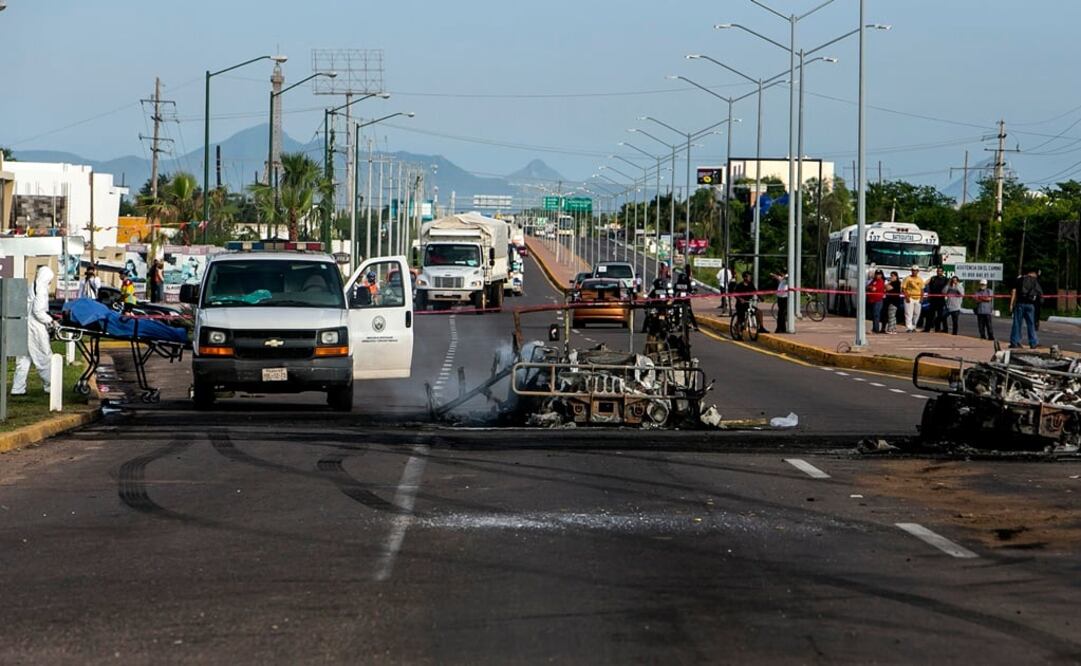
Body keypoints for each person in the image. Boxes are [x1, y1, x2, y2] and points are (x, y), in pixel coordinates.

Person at [11, 266, 56, 395]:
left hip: (24, 325)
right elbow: (38, 312)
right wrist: (51, 320)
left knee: (23, 358)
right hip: (35, 328)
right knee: (44, 356)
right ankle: (51, 385)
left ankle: (17, 388)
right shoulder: (42, 290)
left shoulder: (33, 286)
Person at [1009, 267, 1042, 349]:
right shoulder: (1035, 281)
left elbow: (1014, 291)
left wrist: (1011, 304)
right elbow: (1039, 294)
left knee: (1017, 323)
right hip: (1030, 305)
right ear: (1033, 273)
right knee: (1031, 324)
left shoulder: (1020, 279)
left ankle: (1015, 342)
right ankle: (1033, 342)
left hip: (1020, 304)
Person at [923, 267, 949, 333]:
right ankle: (927, 329)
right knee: (930, 315)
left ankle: (937, 329)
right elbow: (925, 284)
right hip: (933, 299)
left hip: (941, 299)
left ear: (942, 272)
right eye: (938, 271)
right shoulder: (933, 278)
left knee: (940, 315)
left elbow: (948, 288)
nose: (939, 272)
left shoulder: (946, 279)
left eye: (940, 271)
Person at [901, 265, 924, 333]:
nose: (914, 272)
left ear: (918, 271)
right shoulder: (907, 278)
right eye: (913, 270)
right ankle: (909, 328)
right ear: (911, 271)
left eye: (916, 270)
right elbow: (903, 288)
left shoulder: (920, 279)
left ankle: (913, 326)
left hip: (918, 298)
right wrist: (907, 297)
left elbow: (922, 289)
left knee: (917, 313)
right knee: (909, 313)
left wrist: (921, 298)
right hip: (910, 297)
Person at [868, 269, 886, 334]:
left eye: (879, 274)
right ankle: (874, 328)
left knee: (876, 314)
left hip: (878, 300)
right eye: (877, 274)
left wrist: (871, 288)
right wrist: (871, 287)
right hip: (872, 300)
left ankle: (876, 329)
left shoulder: (881, 281)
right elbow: (868, 287)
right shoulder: (873, 281)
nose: (878, 275)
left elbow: (874, 289)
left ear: (881, 275)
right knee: (873, 315)